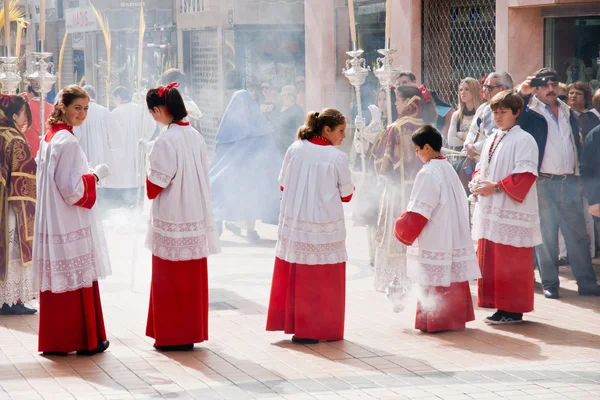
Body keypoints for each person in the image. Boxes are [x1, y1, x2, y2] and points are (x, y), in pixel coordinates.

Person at [33, 85, 112, 355]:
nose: (82, 113)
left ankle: (59, 340)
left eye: (86, 109)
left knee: (62, 279)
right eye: (77, 107)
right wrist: (96, 177)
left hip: (53, 219)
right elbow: (72, 190)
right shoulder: (67, 141)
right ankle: (82, 340)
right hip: (68, 220)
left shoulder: (50, 136)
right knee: (76, 278)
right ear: (63, 107)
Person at [266, 108, 353, 343]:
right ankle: (321, 328)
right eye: (341, 131)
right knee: (322, 279)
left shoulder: (295, 148)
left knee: (299, 274)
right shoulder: (337, 158)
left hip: (296, 222)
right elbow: (347, 196)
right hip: (324, 223)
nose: (344, 136)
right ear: (327, 129)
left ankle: (299, 327)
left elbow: (283, 184)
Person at [145, 83, 220, 351]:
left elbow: (155, 185)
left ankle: (171, 334)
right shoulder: (195, 136)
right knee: (191, 279)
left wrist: (146, 161)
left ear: (158, 110)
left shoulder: (165, 140)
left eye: (153, 112)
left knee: (169, 277)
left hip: (174, 214)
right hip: (196, 213)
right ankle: (189, 332)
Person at [518, 68, 600, 298]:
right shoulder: (530, 111)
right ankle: (550, 284)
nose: (550, 89)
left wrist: (580, 177)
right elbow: (515, 113)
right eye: (544, 85)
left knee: (578, 235)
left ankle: (586, 283)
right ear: (536, 88)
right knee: (546, 236)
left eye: (554, 84)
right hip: (543, 183)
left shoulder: (566, 110)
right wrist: (523, 93)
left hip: (570, 181)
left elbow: (577, 145)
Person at [395, 125, 480, 332]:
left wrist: (400, 227)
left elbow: (419, 211)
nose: (416, 154)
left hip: (437, 235)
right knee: (450, 276)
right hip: (453, 232)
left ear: (426, 147)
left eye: (416, 150)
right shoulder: (447, 167)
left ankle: (437, 321)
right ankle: (453, 319)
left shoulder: (428, 172)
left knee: (436, 277)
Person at [471, 90, 541, 324]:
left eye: (503, 112)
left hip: (512, 211)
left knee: (510, 262)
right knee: (493, 260)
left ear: (516, 112)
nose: (498, 117)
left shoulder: (524, 140)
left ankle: (513, 309)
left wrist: (496, 187)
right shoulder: (492, 137)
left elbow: (525, 176)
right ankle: (499, 305)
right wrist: (477, 181)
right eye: (495, 112)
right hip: (491, 208)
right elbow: (482, 167)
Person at [371, 85, 426, 292]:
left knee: (395, 232)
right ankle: (414, 279)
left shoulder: (396, 127)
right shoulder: (425, 124)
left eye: (397, 99)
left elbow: (382, 163)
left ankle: (394, 280)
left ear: (408, 101)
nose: (395, 103)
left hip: (397, 193)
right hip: (420, 191)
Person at [209, 90, 282, 242]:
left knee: (231, 196)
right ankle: (249, 230)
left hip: (234, 172)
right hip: (253, 172)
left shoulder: (228, 127)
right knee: (251, 197)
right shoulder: (260, 126)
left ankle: (231, 224)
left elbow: (220, 153)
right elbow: (270, 150)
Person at [0, 95, 37, 315]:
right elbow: (24, 176)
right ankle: (10, 301)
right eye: (23, 113)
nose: (25, 118)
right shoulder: (15, 138)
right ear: (14, 115)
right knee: (13, 251)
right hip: (12, 206)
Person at [105, 86, 157, 208]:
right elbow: (151, 125)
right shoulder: (140, 110)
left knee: (122, 180)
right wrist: (144, 139)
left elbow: (111, 136)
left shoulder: (115, 113)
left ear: (118, 97)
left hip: (121, 154)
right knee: (136, 179)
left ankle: (122, 206)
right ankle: (136, 206)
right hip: (137, 151)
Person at [447, 78, 483, 150]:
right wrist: (470, 142)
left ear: (474, 91)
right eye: (461, 90)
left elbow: (482, 139)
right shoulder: (456, 115)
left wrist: (461, 135)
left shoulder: (482, 113)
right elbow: (451, 140)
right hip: (460, 156)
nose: (463, 92)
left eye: (467, 89)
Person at [270, 85, 305, 156]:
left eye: (289, 94)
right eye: (284, 95)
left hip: (289, 144)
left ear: (294, 97)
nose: (286, 96)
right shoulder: (278, 108)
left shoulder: (297, 109)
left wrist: (295, 146)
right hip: (276, 143)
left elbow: (300, 129)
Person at [22, 83, 54, 157]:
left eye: (27, 93)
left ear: (31, 93)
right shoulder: (53, 108)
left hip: (29, 149)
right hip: (48, 148)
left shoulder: (23, 109)